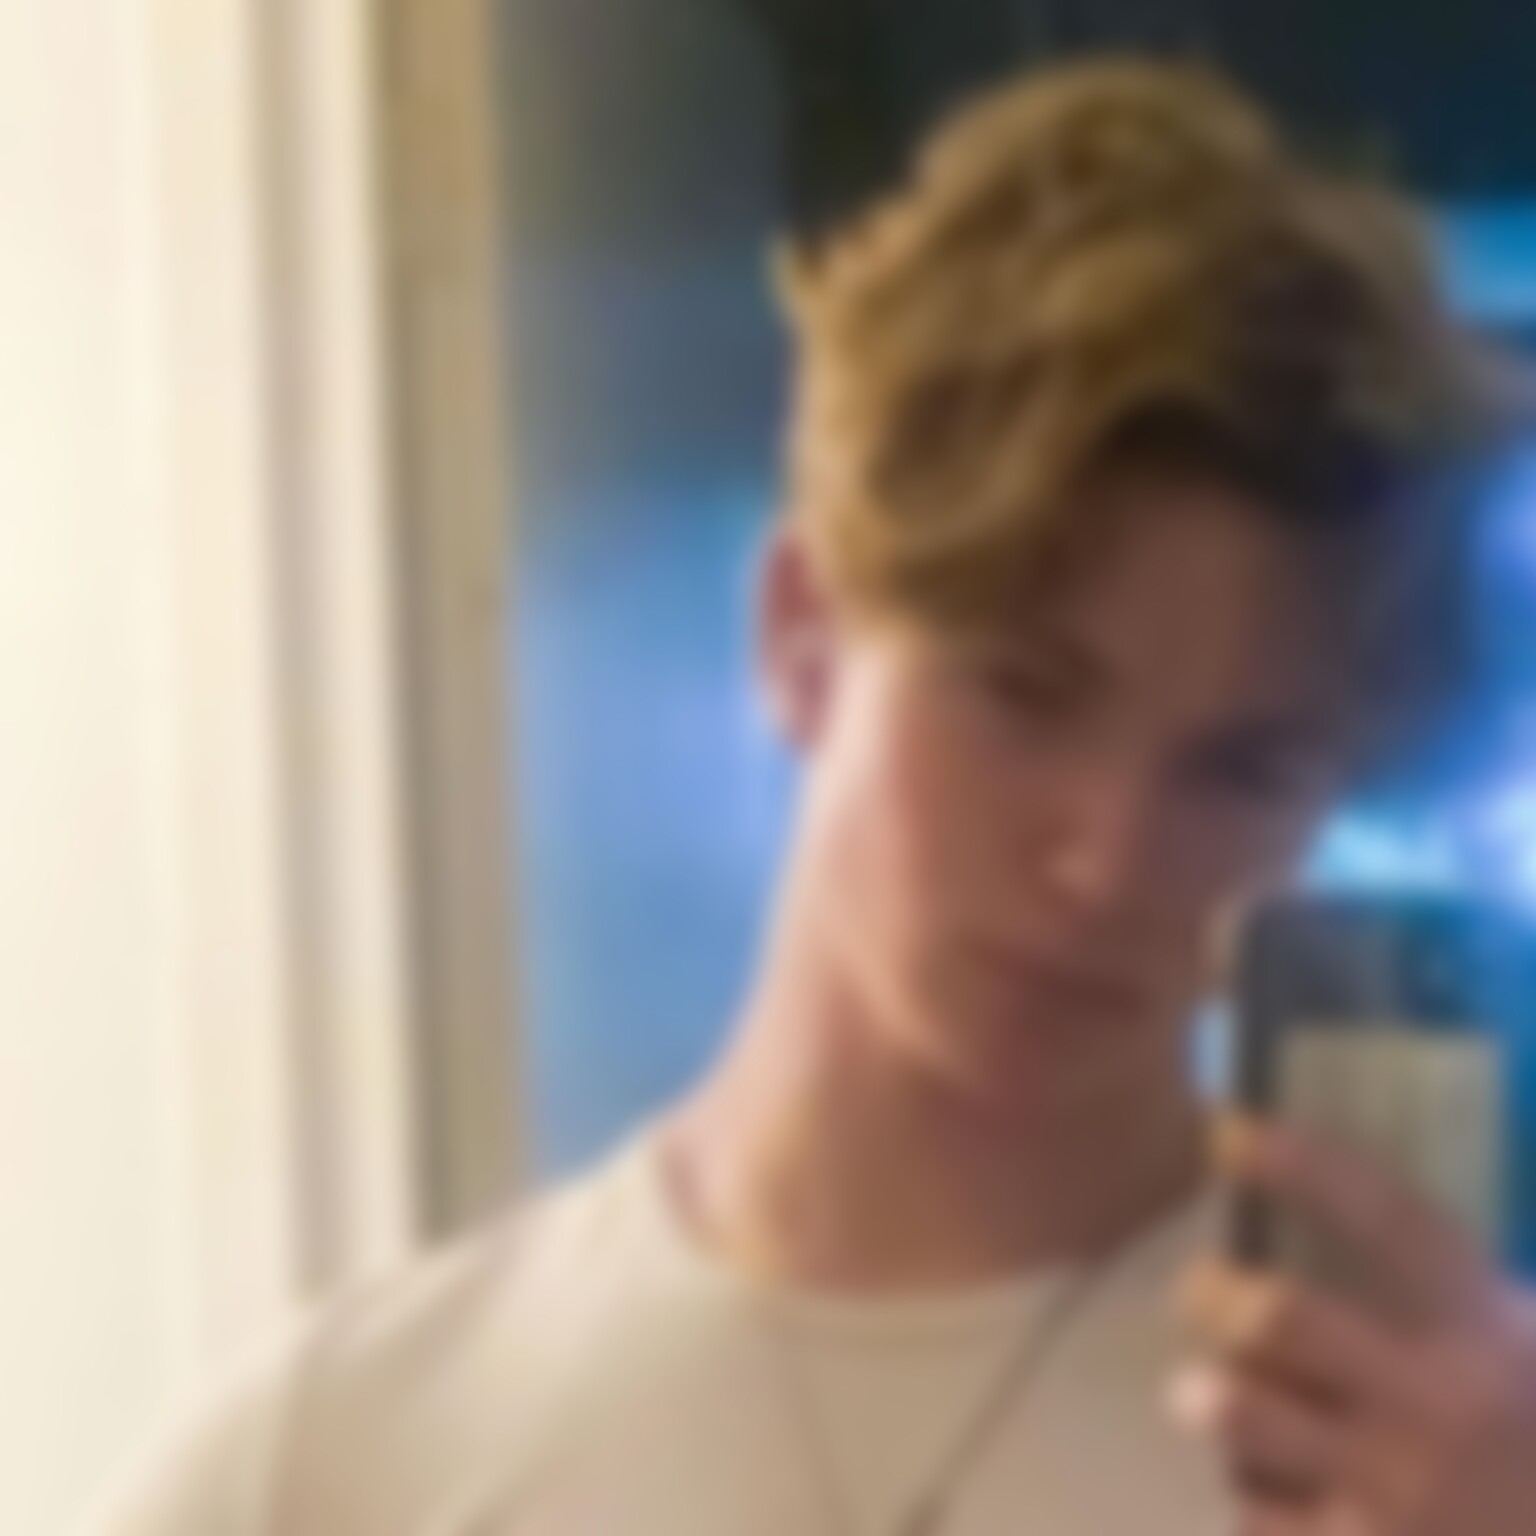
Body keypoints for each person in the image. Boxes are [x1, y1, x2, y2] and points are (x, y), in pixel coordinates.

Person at [94, 59, 1536, 1536]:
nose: (1106, 860)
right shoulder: (333, 1465)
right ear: (801, 641)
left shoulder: (1422, 1437)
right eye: (1025, 692)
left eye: (1242, 770)